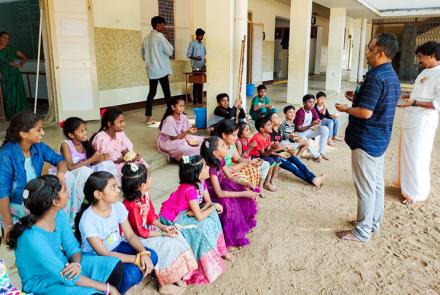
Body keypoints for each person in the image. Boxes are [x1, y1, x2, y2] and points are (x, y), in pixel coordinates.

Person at [7, 175, 123, 294]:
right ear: (55, 201)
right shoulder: (32, 238)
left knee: (114, 267)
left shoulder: (59, 214)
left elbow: (72, 247)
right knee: (96, 292)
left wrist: (76, 264)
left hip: (66, 266)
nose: (68, 194)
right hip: (43, 282)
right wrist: (108, 288)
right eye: (64, 190)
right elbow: (66, 276)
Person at [335, 33, 400, 242]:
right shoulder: (390, 75)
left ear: (380, 52)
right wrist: (358, 98)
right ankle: (373, 223)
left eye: (370, 49)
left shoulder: (375, 76)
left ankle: (362, 231)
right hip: (379, 138)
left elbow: (365, 113)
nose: (367, 53)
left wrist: (346, 108)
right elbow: (376, 103)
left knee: (365, 188)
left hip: (367, 139)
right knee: (376, 184)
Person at [75, 172, 158, 294]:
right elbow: (106, 254)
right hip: (100, 258)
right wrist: (136, 259)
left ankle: (127, 282)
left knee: (152, 255)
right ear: (98, 194)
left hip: (117, 247)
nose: (118, 190)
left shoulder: (117, 206)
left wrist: (143, 252)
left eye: (117, 186)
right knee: (130, 274)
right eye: (113, 187)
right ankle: (115, 289)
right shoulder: (88, 220)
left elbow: (130, 235)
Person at [121, 163, 197, 293]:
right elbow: (140, 232)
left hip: (147, 231)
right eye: (149, 177)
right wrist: (162, 234)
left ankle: (175, 275)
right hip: (136, 238)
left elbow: (151, 215)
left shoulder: (145, 194)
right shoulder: (131, 205)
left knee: (176, 235)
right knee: (167, 246)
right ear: (143, 185)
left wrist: (163, 227)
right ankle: (164, 283)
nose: (151, 179)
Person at [0, 112, 79, 236]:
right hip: (18, 202)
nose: (43, 133)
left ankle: (67, 225)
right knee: (45, 214)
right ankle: (52, 225)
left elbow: (60, 160)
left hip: (36, 195)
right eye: (38, 130)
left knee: (67, 177)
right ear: (23, 133)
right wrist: (8, 225)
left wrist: (60, 174)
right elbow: (2, 193)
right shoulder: (7, 154)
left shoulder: (38, 146)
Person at [160, 156, 229, 284]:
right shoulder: (190, 190)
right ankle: (204, 263)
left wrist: (205, 209)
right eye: (204, 167)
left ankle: (220, 250)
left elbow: (207, 202)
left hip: (188, 211)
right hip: (174, 217)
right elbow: (201, 215)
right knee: (203, 227)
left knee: (212, 217)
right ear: (196, 173)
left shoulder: (200, 182)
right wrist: (210, 208)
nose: (208, 167)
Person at [393, 41, 440, 204]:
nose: (418, 60)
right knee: (407, 154)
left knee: (418, 155)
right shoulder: (426, 70)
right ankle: (406, 186)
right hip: (412, 119)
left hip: (423, 122)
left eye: (420, 56)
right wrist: (406, 96)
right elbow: (418, 93)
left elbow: (437, 103)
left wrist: (414, 103)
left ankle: (416, 193)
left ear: (432, 55)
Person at [201, 137, 259, 248]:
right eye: (223, 145)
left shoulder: (220, 160)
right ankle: (229, 237)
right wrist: (243, 194)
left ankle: (241, 225)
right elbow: (219, 193)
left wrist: (245, 183)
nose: (227, 146)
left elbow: (231, 177)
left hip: (221, 187)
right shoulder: (211, 167)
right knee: (230, 205)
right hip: (211, 194)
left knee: (241, 190)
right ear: (215, 153)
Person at [59, 117, 119, 195]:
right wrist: (92, 159)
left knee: (107, 163)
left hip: (86, 171)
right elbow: (70, 167)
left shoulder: (85, 143)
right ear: (71, 135)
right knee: (84, 170)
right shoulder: (66, 145)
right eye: (82, 131)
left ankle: (109, 188)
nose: (85, 133)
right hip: (71, 175)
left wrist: (100, 158)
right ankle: (86, 196)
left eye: (85, 130)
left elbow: (91, 163)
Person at [269, 112, 325, 187]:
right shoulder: (270, 133)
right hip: (275, 156)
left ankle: (313, 178)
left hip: (283, 152)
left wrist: (292, 141)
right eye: (275, 118)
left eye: (278, 117)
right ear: (270, 122)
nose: (278, 119)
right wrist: (283, 147)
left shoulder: (279, 130)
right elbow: (269, 150)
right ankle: (313, 180)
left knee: (298, 161)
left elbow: (283, 140)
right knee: (293, 167)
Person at [92, 107, 148, 179]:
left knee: (140, 165)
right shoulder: (101, 139)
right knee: (131, 173)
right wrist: (123, 160)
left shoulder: (120, 133)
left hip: (121, 161)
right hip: (110, 166)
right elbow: (106, 162)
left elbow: (124, 150)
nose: (124, 124)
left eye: (123, 121)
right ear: (109, 124)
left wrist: (132, 156)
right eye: (120, 122)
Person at [142, 16, 174, 125]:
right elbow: (169, 51)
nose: (164, 26)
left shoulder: (146, 38)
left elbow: (143, 55)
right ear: (158, 25)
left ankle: (148, 118)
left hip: (151, 70)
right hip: (161, 69)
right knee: (167, 93)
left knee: (151, 93)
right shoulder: (160, 37)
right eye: (163, 24)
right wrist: (169, 37)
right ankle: (171, 115)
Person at [214, 120, 261, 191]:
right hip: (224, 172)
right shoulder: (218, 149)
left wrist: (250, 161)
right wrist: (242, 164)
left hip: (232, 168)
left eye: (236, 134)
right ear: (224, 135)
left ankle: (253, 192)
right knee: (244, 179)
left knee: (253, 169)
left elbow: (238, 158)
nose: (236, 138)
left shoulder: (232, 144)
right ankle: (246, 195)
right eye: (234, 135)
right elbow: (224, 171)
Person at [236, 122, 273, 191]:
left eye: (249, 129)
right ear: (240, 133)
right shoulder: (238, 142)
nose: (249, 131)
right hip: (241, 164)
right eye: (246, 130)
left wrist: (256, 160)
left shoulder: (247, 140)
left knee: (266, 164)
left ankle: (260, 185)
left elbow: (250, 155)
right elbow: (238, 158)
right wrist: (250, 149)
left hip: (248, 161)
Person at [248, 116, 282, 191]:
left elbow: (268, 149)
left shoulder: (268, 136)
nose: (271, 126)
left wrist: (277, 153)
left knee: (278, 159)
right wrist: (273, 148)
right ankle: (266, 183)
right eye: (269, 125)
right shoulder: (258, 138)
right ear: (262, 129)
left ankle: (271, 180)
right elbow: (263, 154)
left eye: (271, 124)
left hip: (262, 154)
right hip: (253, 157)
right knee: (271, 161)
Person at [0, 32, 28, 120]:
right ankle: (9, 114)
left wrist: (20, 64)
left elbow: (25, 57)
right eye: (3, 38)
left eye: (8, 39)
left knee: (15, 94)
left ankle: (19, 114)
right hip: (3, 74)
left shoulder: (11, 48)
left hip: (13, 74)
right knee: (6, 94)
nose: (6, 40)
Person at [294, 94, 330, 161]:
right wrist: (311, 125)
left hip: (309, 130)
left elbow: (318, 120)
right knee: (304, 140)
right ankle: (317, 155)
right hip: (299, 133)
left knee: (325, 129)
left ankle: (322, 152)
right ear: (304, 103)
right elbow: (298, 129)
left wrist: (317, 124)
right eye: (309, 102)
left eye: (313, 102)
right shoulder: (300, 112)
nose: (312, 104)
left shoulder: (313, 110)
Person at [187, 28, 206, 106]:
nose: (202, 37)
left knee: (201, 84)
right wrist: (196, 58)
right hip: (195, 67)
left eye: (203, 36)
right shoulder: (192, 43)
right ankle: (195, 101)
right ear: (197, 35)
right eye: (201, 35)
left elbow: (205, 53)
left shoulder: (203, 45)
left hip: (202, 67)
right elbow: (188, 55)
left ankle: (200, 100)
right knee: (196, 84)